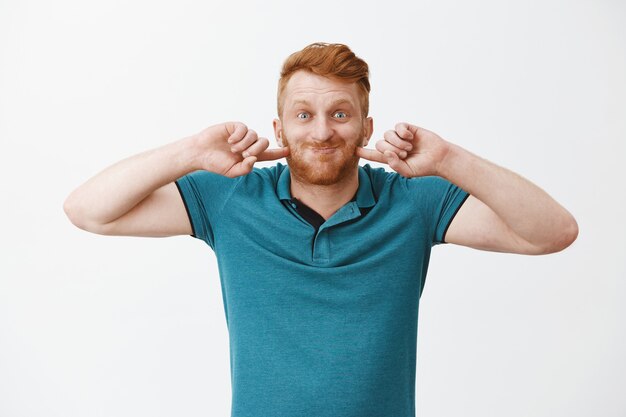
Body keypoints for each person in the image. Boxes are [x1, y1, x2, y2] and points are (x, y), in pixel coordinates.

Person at [64, 42, 578, 417]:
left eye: (340, 114)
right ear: (279, 129)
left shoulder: (413, 201)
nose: (323, 131)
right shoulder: (231, 198)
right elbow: (90, 211)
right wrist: (190, 152)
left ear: (366, 128)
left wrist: (447, 158)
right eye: (304, 114)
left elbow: (551, 233)